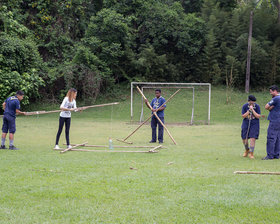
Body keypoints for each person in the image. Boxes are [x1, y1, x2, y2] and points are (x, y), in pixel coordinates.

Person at [263, 85, 280, 160]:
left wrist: (271, 107)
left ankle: (270, 155)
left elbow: (266, 107)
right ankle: (276, 154)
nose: (270, 93)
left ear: (275, 91)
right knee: (277, 138)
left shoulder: (276, 98)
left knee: (271, 137)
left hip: (274, 120)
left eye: (271, 92)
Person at [241, 95, 261, 159]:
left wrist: (253, 110)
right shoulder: (244, 106)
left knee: (253, 138)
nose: (252, 103)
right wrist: (249, 111)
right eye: (251, 102)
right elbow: (243, 116)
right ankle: (247, 150)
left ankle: (251, 153)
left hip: (254, 123)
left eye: (253, 102)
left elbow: (258, 116)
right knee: (244, 139)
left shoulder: (257, 106)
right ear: (248, 101)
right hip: (246, 123)